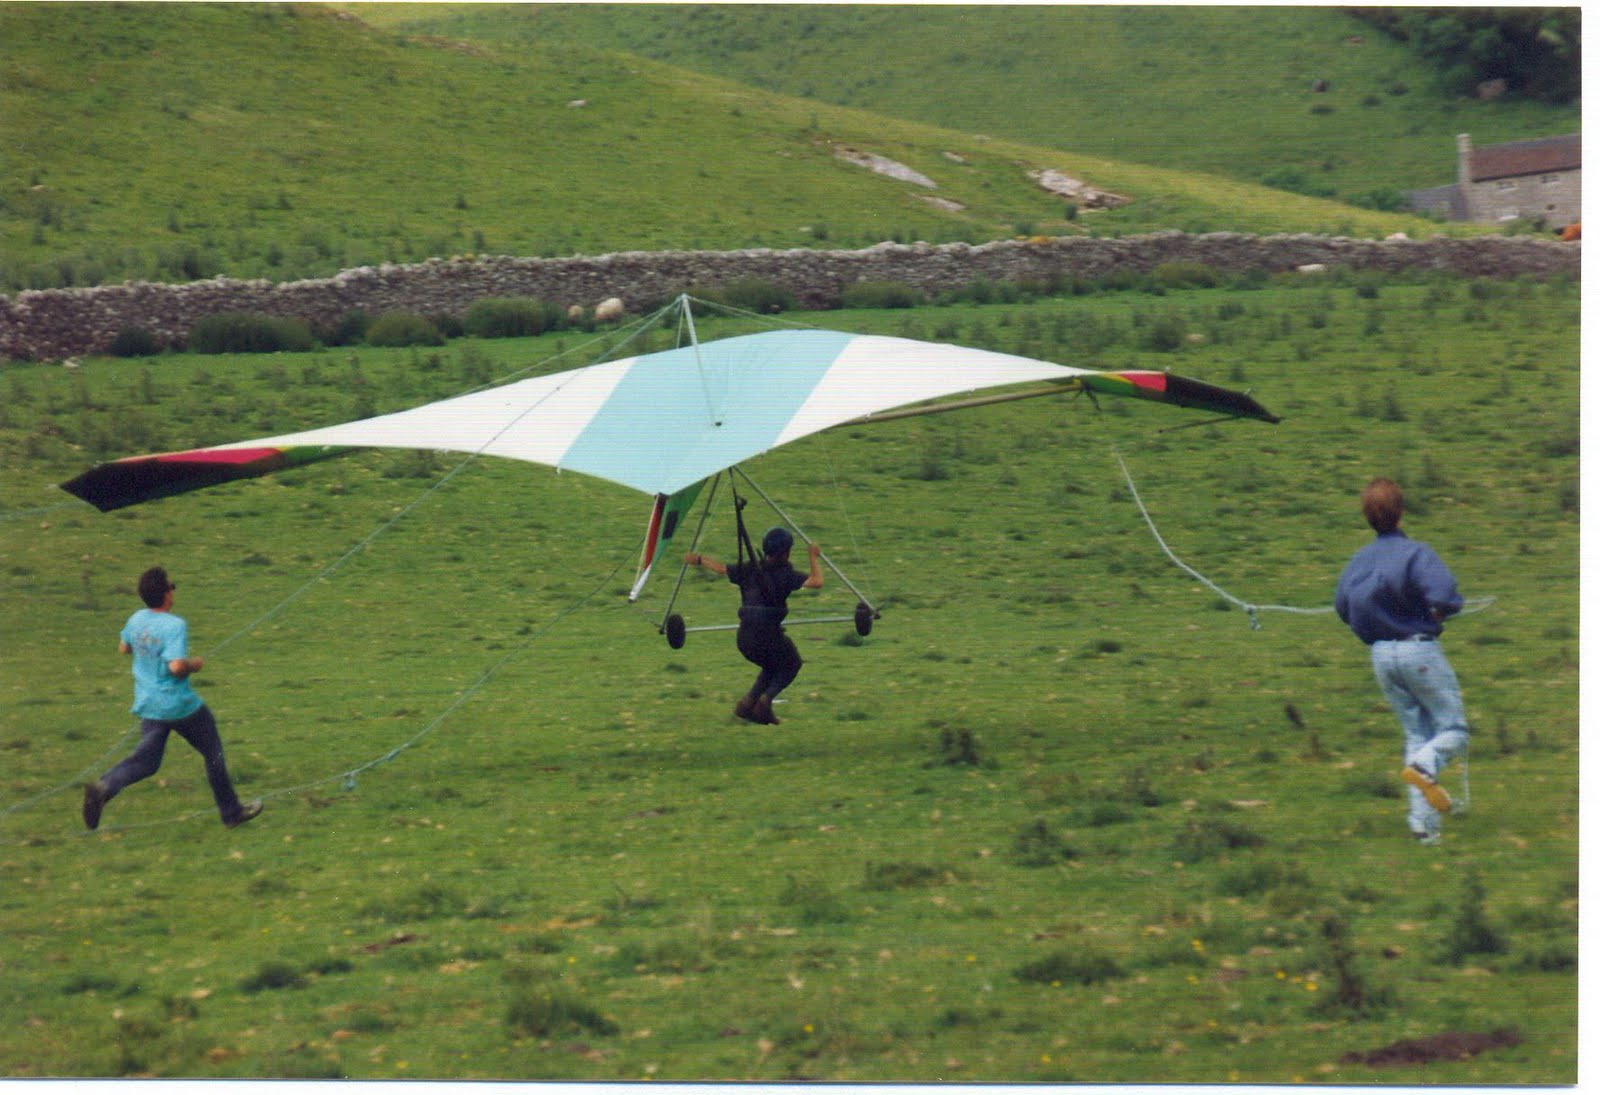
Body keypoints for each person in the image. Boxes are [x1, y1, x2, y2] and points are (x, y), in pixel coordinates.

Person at [1334, 478, 1467, 846]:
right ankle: (1426, 769)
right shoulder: (1416, 553)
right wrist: (1437, 613)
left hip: (1380, 655)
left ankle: (1422, 826)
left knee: (1416, 734)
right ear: (1402, 512)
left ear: (1367, 518)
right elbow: (1445, 595)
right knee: (1453, 731)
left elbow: (1343, 606)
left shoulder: (1359, 559)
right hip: (1417, 649)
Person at [81, 567, 262, 831]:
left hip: (149, 705)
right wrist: (194, 665)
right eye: (171, 587)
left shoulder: (136, 619)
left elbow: (124, 647)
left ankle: (104, 788)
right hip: (180, 706)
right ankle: (232, 813)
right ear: (166, 594)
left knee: (147, 762)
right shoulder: (175, 625)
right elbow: (176, 667)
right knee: (213, 753)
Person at [686, 527, 823, 724]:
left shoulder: (751, 568)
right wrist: (813, 556)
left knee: (771, 665)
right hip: (767, 636)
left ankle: (746, 705)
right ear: (785, 553)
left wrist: (698, 559)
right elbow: (817, 581)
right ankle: (764, 703)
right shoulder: (785, 574)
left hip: (744, 638)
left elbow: (721, 569)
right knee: (792, 663)